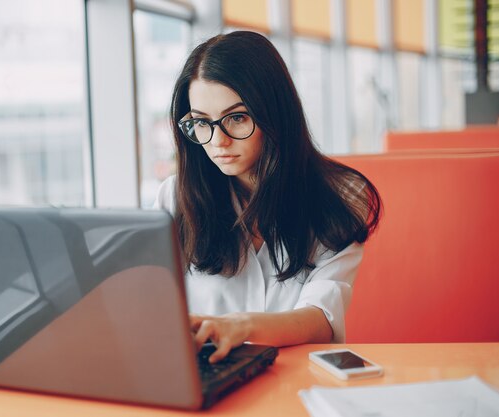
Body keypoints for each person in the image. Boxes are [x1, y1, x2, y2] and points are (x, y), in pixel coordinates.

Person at [154, 31, 381, 363]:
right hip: (209, 378)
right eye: (202, 123)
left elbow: (320, 319)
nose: (218, 141)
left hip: (295, 379)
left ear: (274, 113)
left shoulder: (339, 198)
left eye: (237, 118)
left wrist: (240, 327)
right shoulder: (175, 198)